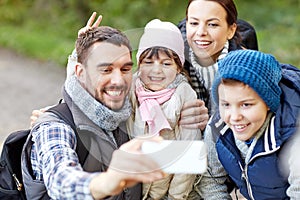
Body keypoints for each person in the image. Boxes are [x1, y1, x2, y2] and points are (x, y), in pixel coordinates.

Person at [23, 26, 168, 199]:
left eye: (125, 69)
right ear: (80, 73)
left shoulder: (129, 114)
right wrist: (108, 181)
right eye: (106, 70)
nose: (118, 80)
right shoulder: (54, 127)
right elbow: (61, 179)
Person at [203, 49, 300, 199]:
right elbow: (210, 180)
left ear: (268, 103)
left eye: (246, 105)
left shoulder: (293, 136)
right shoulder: (218, 128)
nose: (234, 117)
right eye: (226, 104)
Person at [126, 19, 201, 199]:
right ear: (139, 64)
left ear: (178, 68)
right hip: (132, 187)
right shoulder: (131, 88)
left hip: (166, 188)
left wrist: (175, 196)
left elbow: (189, 150)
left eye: (166, 64)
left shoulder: (184, 95)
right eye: (148, 62)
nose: (157, 71)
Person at [178, 0, 258, 115]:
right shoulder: (171, 61)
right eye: (194, 23)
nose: (201, 32)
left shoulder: (248, 69)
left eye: (212, 24)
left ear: (231, 30)